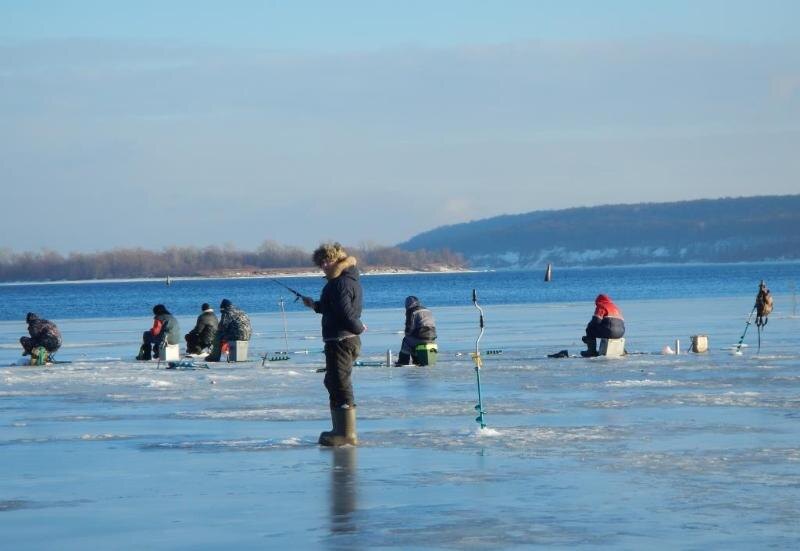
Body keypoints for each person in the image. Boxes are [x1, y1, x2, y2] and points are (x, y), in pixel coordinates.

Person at [301, 242, 365, 446]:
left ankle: (346, 433)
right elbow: (336, 308)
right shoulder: (342, 281)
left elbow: (346, 314)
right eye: (321, 263)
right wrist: (316, 306)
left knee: (339, 382)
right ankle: (340, 429)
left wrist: (358, 327)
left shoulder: (340, 283)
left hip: (342, 340)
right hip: (341, 339)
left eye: (327, 261)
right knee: (332, 381)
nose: (324, 266)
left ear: (337, 259)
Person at [395, 295, 437, 366]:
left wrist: (407, 335)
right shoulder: (427, 310)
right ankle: (417, 360)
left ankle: (403, 361)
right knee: (413, 340)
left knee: (406, 341)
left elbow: (409, 328)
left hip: (421, 337)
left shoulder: (412, 311)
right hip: (432, 337)